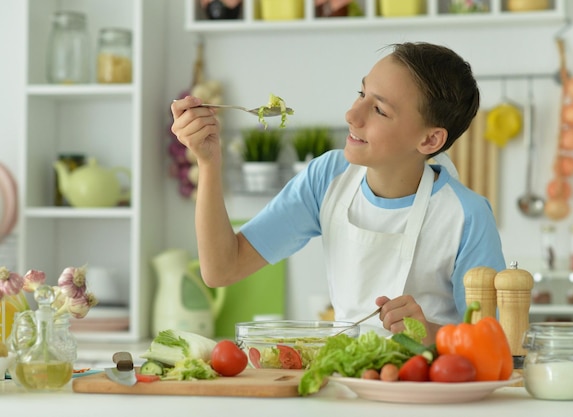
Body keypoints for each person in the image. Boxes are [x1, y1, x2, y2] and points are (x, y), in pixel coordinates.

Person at [170, 42, 505, 344]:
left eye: (379, 110)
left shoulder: (467, 217)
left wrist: (432, 334)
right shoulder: (327, 178)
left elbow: (496, 344)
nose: (351, 115)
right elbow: (221, 269)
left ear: (430, 140)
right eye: (361, 94)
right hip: (348, 383)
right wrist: (208, 161)